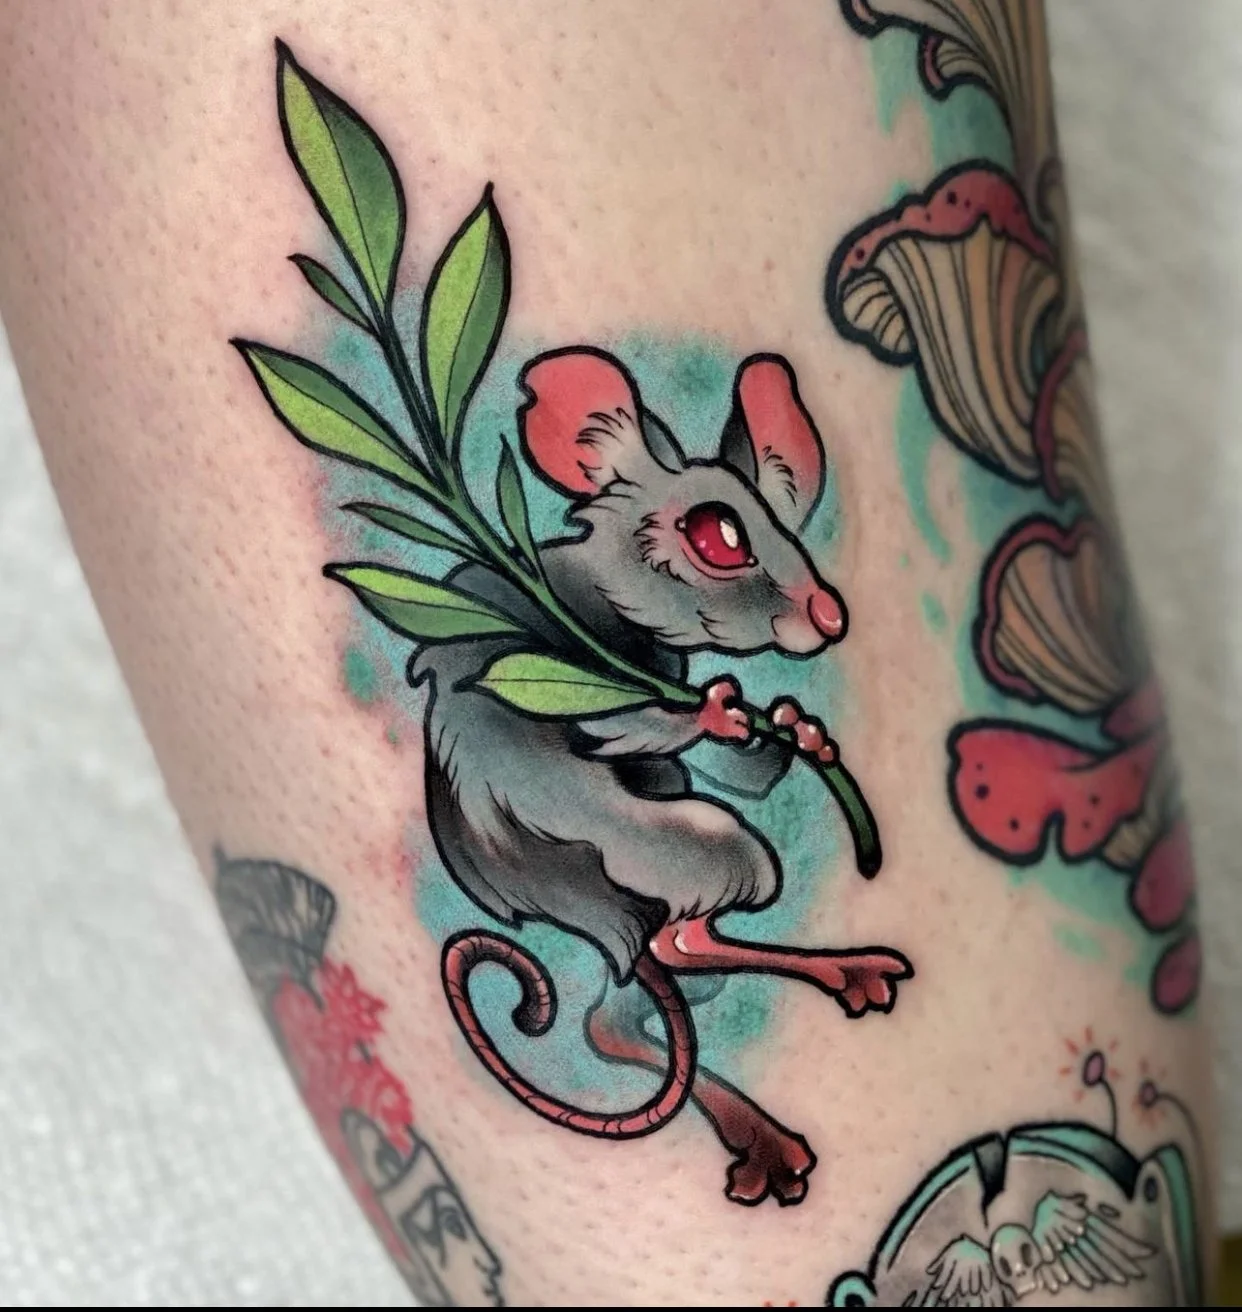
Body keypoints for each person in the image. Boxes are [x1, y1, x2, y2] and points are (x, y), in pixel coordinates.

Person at [0, 2, 1213, 1304]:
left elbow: (677, 743)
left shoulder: (654, 634)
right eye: (723, 542)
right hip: (513, 821)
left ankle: (723, 1080)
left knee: (703, 878)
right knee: (722, 867)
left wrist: (743, 745)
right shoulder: (573, 602)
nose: (795, 600)